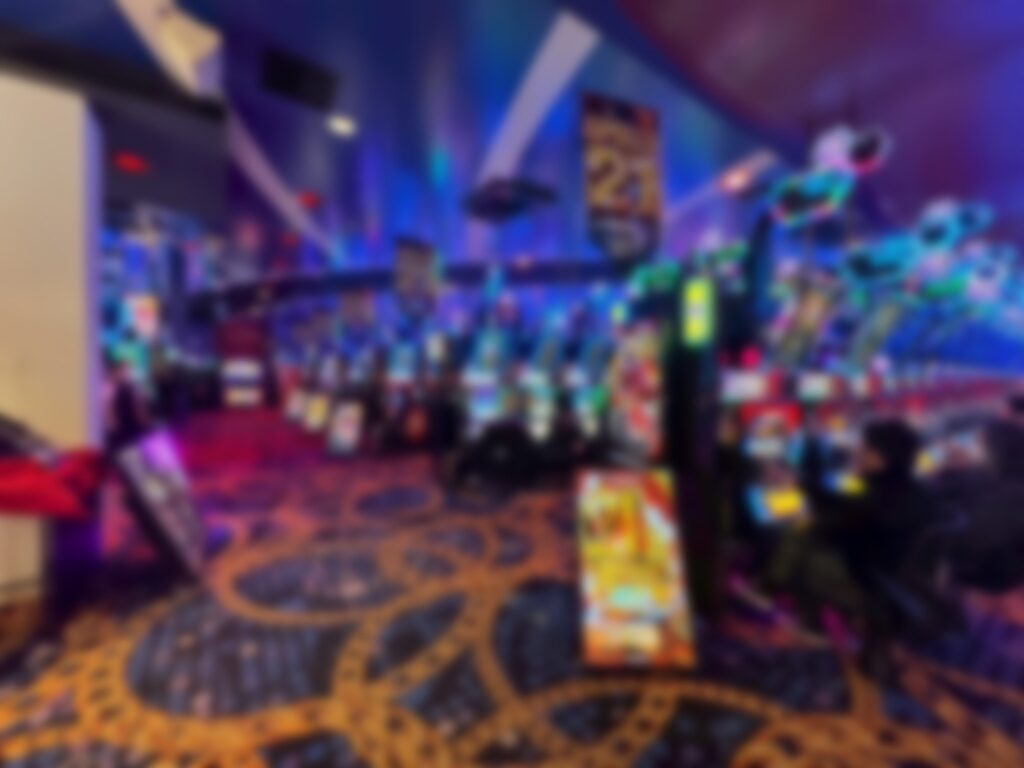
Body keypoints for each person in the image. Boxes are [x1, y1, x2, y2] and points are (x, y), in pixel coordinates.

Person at [768, 419, 935, 675]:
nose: (855, 452)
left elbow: (835, 525)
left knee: (799, 543)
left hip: (869, 580)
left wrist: (799, 509)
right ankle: (796, 607)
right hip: (900, 578)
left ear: (880, 459)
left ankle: (790, 609)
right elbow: (847, 505)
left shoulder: (876, 497)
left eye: (863, 449)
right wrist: (803, 486)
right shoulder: (912, 489)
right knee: (804, 535)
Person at [103, 357, 151, 452]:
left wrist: (144, 420)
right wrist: (112, 426)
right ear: (115, 372)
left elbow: (138, 405)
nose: (125, 374)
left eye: (127, 371)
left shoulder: (132, 386)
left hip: (133, 425)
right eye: (122, 371)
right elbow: (108, 407)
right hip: (121, 428)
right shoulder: (110, 386)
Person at [427, 368, 465, 487]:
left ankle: (449, 482)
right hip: (443, 434)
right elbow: (436, 415)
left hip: (453, 433)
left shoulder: (458, 394)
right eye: (451, 377)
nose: (454, 380)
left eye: (455, 377)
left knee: (452, 460)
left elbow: (461, 415)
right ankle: (446, 483)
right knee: (446, 461)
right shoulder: (441, 395)